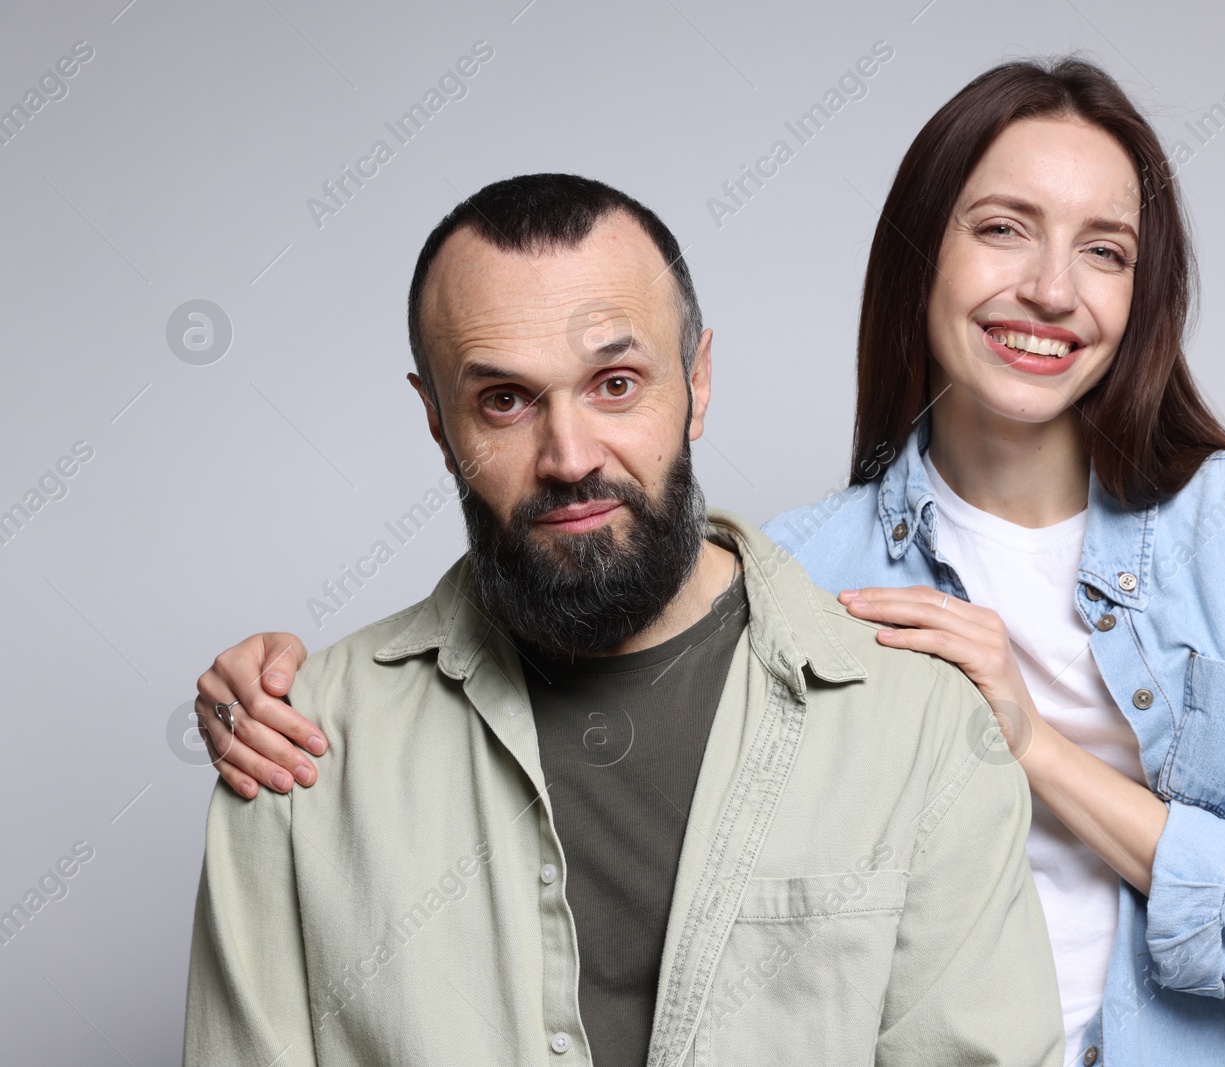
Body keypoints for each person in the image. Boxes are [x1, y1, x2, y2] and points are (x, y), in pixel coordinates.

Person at [195, 58, 1225, 1065]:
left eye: (1105, 250)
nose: (1050, 286)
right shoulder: (803, 572)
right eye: (1001, 230)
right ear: (920, 255)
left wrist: (1030, 746)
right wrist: (303, 695)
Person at [182, 173, 1065, 1067]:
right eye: (504, 401)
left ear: (697, 382)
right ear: (437, 422)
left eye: (614, 383)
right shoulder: (294, 744)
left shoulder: (918, 728)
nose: (569, 457)